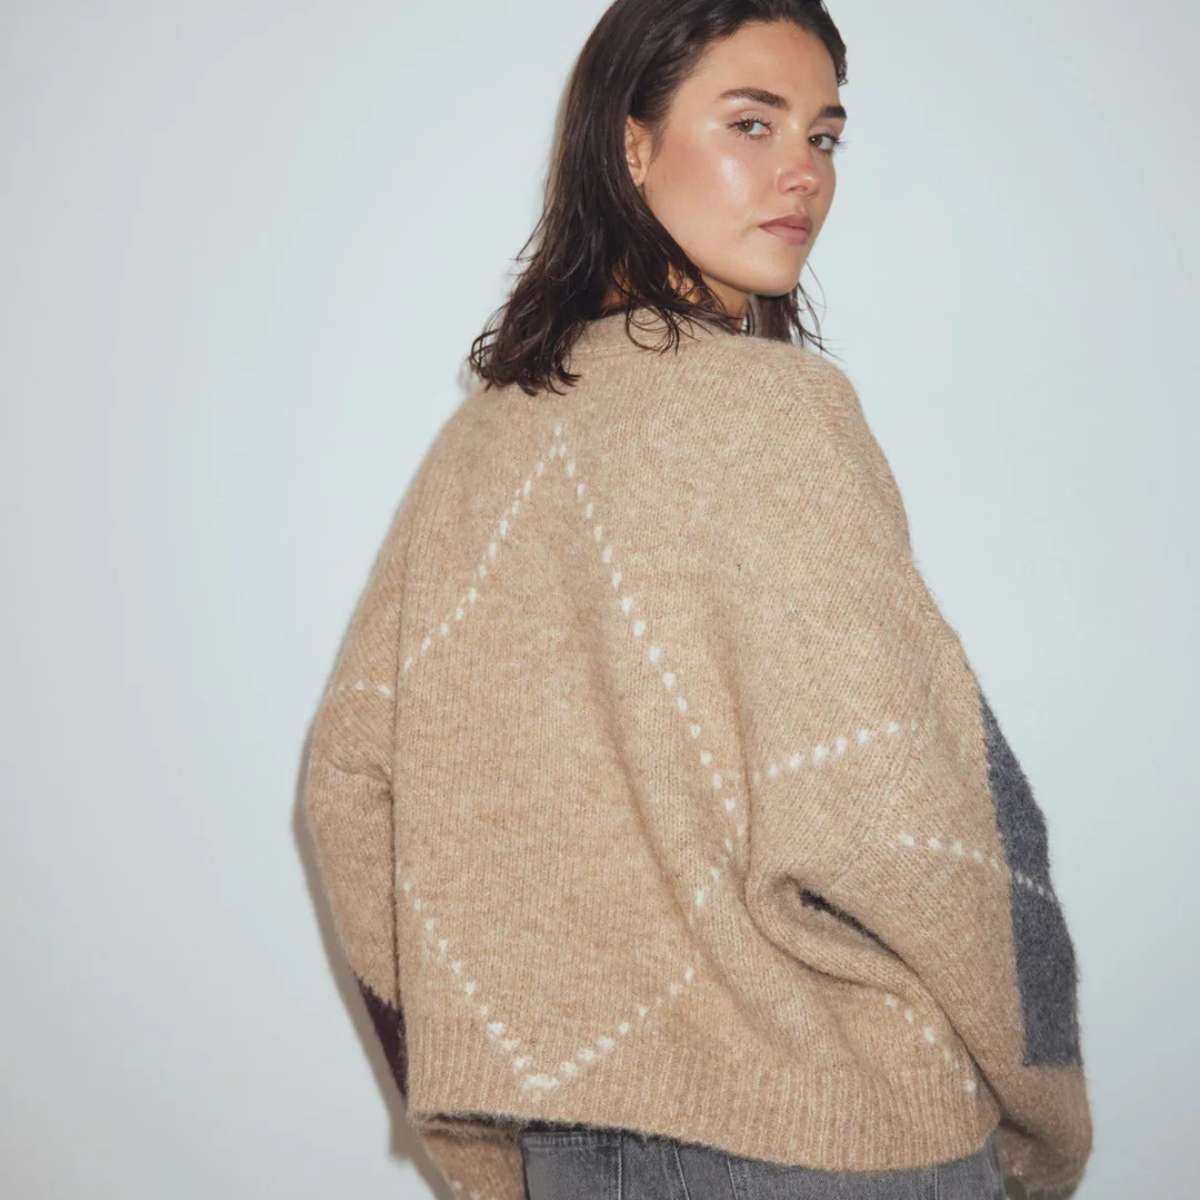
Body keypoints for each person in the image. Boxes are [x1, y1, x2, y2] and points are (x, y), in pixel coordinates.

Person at [302, 3, 1094, 1199]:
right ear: (631, 146)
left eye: (824, 135)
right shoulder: (781, 414)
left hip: (576, 1148)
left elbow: (348, 789)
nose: (803, 173)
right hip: (843, 1135)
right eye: (751, 124)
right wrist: (1047, 1112)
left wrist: (481, 1142)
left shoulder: (484, 443)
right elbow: (911, 822)